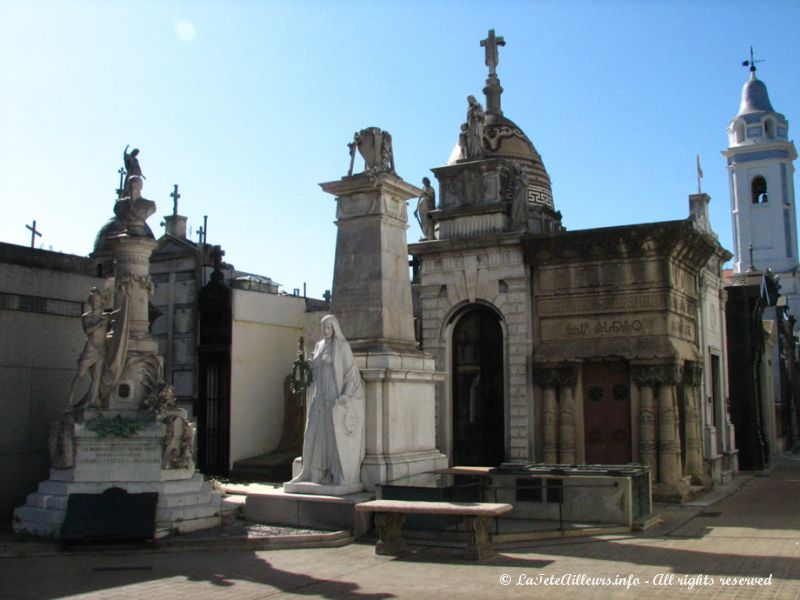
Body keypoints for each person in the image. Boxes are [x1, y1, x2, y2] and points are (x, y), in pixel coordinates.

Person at [290, 315, 365, 486]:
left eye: (328, 328)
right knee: (312, 434)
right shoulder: (319, 346)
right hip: (319, 395)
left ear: (335, 328)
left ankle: (328, 473)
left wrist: (346, 394)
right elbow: (314, 370)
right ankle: (309, 472)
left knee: (330, 437)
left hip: (333, 395)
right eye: (323, 328)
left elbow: (351, 374)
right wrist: (307, 363)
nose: (325, 331)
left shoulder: (342, 346)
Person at [66, 288, 116, 409]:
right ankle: (70, 400)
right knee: (80, 374)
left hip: (101, 349)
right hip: (90, 349)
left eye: (97, 300)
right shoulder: (87, 316)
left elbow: (112, 330)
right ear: (90, 302)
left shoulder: (106, 316)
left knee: (97, 377)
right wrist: (100, 323)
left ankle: (93, 402)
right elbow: (89, 331)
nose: (95, 302)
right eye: (93, 300)